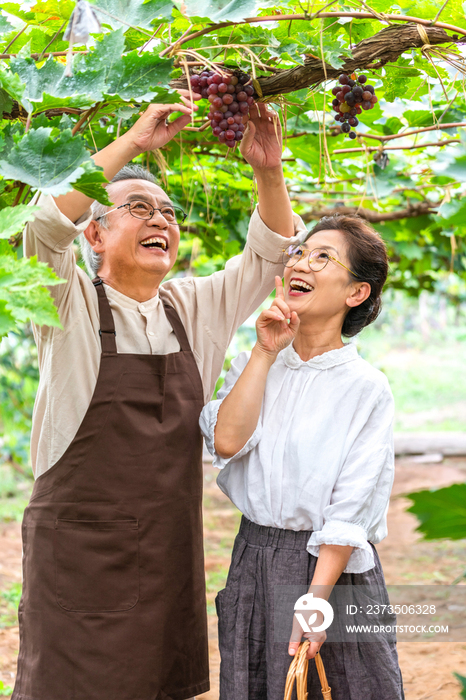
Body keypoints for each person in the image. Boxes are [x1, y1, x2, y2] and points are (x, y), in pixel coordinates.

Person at [12, 96, 308, 700]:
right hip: (78, 549)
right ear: (95, 233)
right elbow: (45, 226)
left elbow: (273, 253)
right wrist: (134, 143)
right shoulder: (63, 301)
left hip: (169, 547)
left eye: (168, 212)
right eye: (138, 208)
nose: (160, 221)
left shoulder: (192, 307)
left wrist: (268, 169)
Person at [200, 215, 405, 700]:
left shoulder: (366, 387)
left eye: (322, 257)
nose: (302, 262)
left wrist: (316, 599)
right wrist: (265, 351)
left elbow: (350, 507)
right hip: (254, 557)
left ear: (356, 293)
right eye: (300, 252)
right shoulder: (257, 362)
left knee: (347, 686)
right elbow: (226, 442)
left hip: (334, 569)